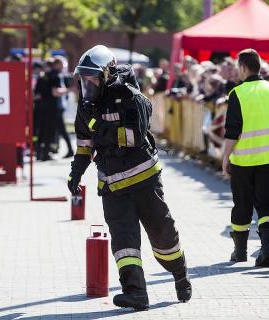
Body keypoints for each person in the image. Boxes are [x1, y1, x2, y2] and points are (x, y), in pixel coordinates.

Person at [68, 45, 191, 310]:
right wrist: (75, 172)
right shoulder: (87, 105)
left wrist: (104, 133)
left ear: (108, 74)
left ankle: (179, 273)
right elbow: (84, 143)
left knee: (163, 234)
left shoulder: (132, 98)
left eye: (92, 78)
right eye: (83, 79)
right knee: (124, 242)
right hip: (112, 184)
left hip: (143, 181)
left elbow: (134, 137)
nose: (87, 84)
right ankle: (136, 293)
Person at [222, 49, 269, 267]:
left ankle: (240, 252)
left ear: (242, 67)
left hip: (243, 161)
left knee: (242, 205)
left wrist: (225, 158)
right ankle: (267, 249)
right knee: (267, 205)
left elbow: (232, 131)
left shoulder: (237, 93)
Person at [49, 57, 73, 158]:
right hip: (55, 107)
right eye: (62, 65)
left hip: (57, 107)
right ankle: (66, 149)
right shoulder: (55, 76)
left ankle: (66, 150)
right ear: (56, 64)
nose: (63, 67)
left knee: (58, 129)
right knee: (57, 129)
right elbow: (55, 92)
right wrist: (68, 90)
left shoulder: (58, 75)